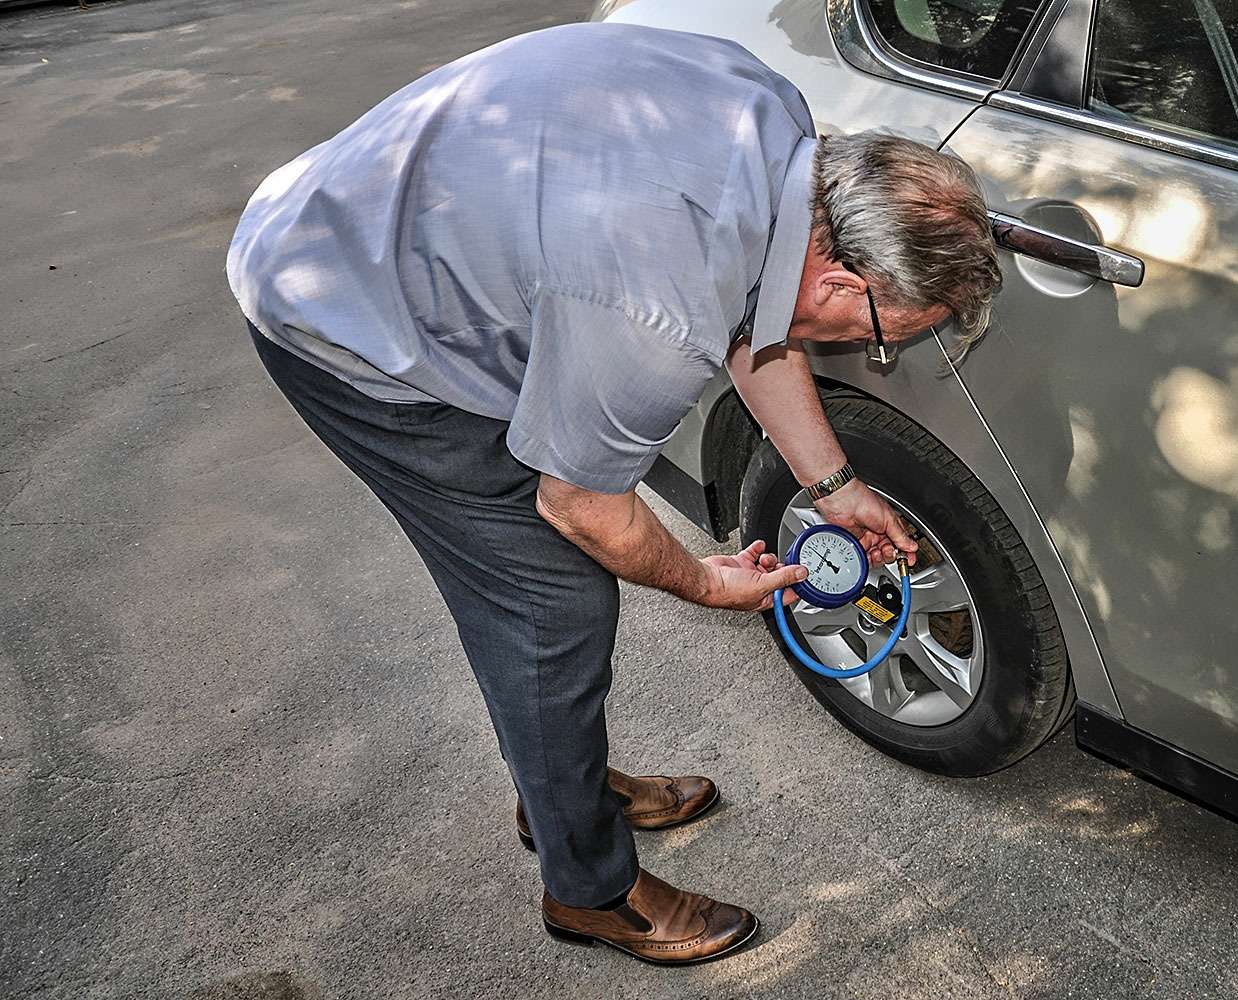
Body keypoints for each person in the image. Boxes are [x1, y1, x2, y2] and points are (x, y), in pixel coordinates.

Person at [227, 20, 1000, 965]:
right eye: (884, 335)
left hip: (393, 218)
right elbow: (581, 507)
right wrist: (712, 585)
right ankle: (588, 888)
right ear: (841, 275)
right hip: (339, 315)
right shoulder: (654, 305)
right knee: (551, 605)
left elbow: (756, 320)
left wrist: (831, 486)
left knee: (549, 597)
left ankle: (562, 789)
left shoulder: (783, 138)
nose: (871, 353)